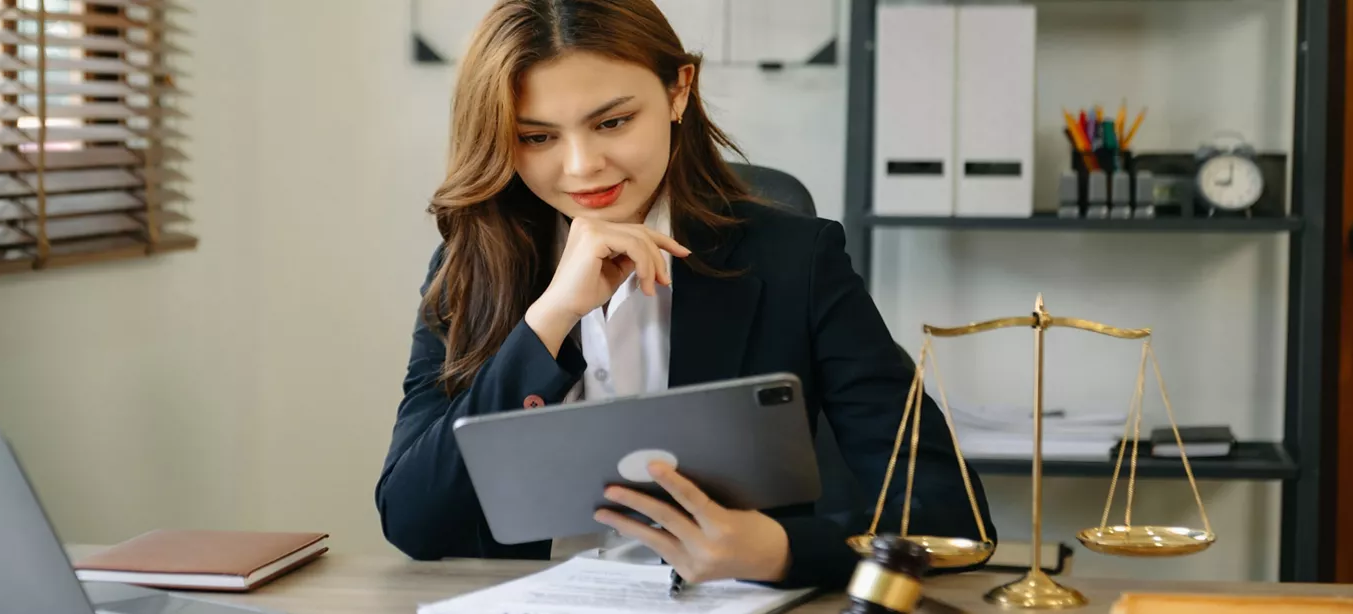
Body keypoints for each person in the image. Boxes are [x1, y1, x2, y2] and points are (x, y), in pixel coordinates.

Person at [375, 0, 995, 590]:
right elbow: (414, 523)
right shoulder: (471, 266)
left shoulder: (795, 262)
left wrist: (778, 550)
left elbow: (950, 520)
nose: (582, 166)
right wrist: (548, 320)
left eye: (612, 122)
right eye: (536, 138)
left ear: (678, 92)